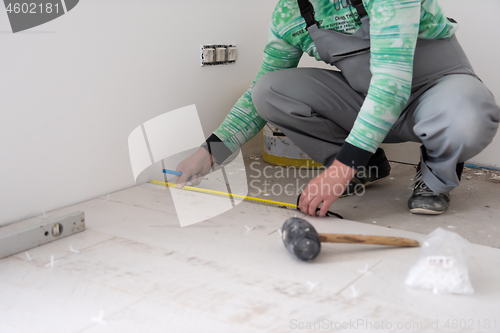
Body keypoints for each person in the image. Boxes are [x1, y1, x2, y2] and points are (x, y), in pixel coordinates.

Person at [175, 0, 500, 217]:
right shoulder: (290, 13)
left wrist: (338, 170)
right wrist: (212, 150)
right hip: (368, 98)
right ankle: (364, 167)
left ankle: (434, 177)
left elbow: (392, 80)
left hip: (435, 94)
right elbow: (258, 91)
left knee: (469, 116)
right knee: (269, 90)